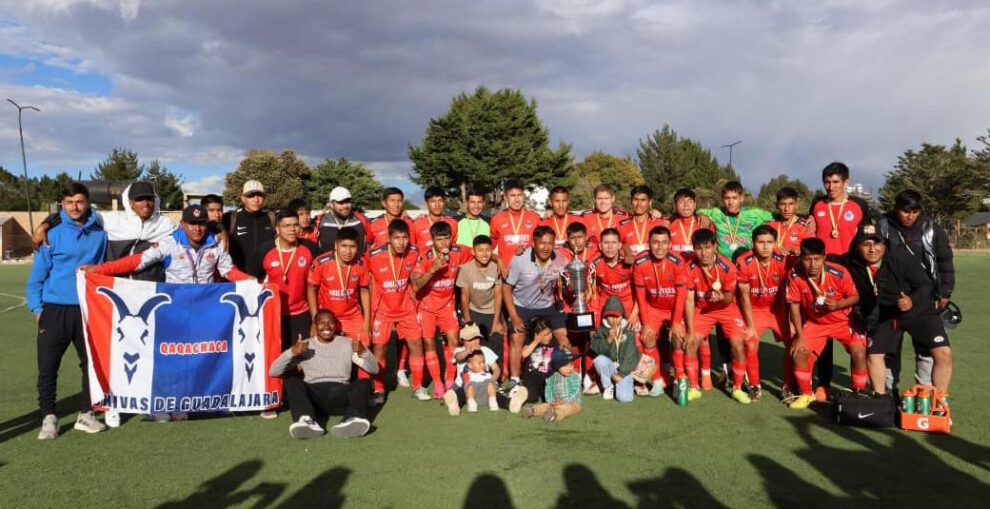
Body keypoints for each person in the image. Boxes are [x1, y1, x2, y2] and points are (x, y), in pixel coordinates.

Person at [27, 183, 109, 439]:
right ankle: (49, 417)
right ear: (61, 204)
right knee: (48, 367)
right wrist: (38, 309)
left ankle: (86, 414)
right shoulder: (50, 234)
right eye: (69, 202)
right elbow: (36, 278)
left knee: (91, 365)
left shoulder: (101, 232)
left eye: (80, 201)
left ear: (88, 203)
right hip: (54, 311)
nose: (75, 207)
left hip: (88, 310)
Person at [842, 226, 952, 395]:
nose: (872, 249)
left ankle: (939, 403)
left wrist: (911, 300)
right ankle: (882, 399)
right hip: (885, 315)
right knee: (874, 356)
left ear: (884, 244)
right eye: (866, 244)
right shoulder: (851, 262)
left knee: (943, 353)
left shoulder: (900, 258)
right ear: (857, 246)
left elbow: (926, 284)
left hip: (918, 311)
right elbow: (822, 259)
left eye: (877, 243)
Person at [807, 162, 876, 401]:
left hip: (851, 269)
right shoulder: (817, 204)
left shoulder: (859, 205)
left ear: (846, 182)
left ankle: (860, 383)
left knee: (856, 326)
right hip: (824, 271)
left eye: (836, 182)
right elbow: (812, 230)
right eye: (827, 182)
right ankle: (823, 384)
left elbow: (869, 236)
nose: (830, 186)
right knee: (824, 323)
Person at [877, 189, 954, 387]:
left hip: (924, 296)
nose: (910, 215)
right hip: (891, 297)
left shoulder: (931, 229)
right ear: (896, 208)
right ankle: (888, 395)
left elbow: (945, 261)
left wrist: (945, 291)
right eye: (905, 211)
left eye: (915, 211)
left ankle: (926, 395)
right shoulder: (882, 225)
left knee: (927, 349)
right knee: (889, 349)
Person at [785, 238, 868, 409]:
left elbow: (856, 296)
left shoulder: (839, 272)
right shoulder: (794, 275)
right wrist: (799, 336)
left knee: (859, 351)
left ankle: (857, 393)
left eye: (817, 259)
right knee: (798, 353)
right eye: (808, 259)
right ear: (801, 258)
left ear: (824, 258)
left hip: (843, 322)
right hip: (816, 324)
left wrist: (839, 305)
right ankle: (806, 394)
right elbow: (794, 306)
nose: (813, 264)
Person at [269, 310, 377, 439]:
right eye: (322, 323)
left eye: (330, 322)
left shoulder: (347, 343)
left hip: (340, 396)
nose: (326, 327)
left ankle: (353, 417)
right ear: (314, 326)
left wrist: (365, 352)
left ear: (336, 325)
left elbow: (374, 369)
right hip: (313, 398)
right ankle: (306, 420)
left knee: (364, 382)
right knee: (292, 382)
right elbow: (274, 371)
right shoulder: (304, 346)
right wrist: (292, 352)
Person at [89, 205, 253, 285]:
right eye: (192, 223)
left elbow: (229, 271)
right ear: (182, 224)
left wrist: (251, 281)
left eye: (202, 223)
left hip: (206, 304)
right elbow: (136, 262)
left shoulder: (216, 244)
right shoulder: (169, 243)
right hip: (176, 305)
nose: (197, 228)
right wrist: (100, 269)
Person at [684, 229, 752, 404]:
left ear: (715, 246)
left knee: (738, 345)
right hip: (703, 310)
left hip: (727, 309)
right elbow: (690, 300)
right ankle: (693, 387)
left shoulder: (727, 266)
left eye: (707, 247)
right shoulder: (690, 267)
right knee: (691, 343)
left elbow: (729, 298)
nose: (704, 253)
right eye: (699, 248)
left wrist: (723, 298)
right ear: (693, 249)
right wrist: (690, 331)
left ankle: (737, 388)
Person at [503, 226, 570, 389]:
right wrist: (514, 315)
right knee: (516, 337)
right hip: (522, 305)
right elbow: (506, 288)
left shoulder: (562, 260)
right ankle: (515, 380)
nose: (546, 247)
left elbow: (568, 286)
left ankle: (566, 376)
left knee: (563, 336)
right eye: (542, 243)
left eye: (550, 243)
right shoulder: (520, 259)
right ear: (534, 243)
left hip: (548, 305)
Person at [411, 221, 473, 397]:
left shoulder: (459, 251)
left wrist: (497, 259)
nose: (444, 243)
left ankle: (449, 380)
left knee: (453, 341)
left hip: (447, 305)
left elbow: (479, 252)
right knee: (429, 343)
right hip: (426, 307)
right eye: (439, 239)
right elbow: (416, 287)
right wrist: (432, 270)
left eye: (447, 238)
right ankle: (438, 383)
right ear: (432, 240)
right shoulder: (424, 256)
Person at [366, 219, 423, 403]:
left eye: (405, 237)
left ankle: (418, 387)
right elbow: (364, 283)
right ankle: (379, 389)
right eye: (396, 238)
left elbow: (415, 275)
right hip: (382, 310)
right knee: (380, 349)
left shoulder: (414, 252)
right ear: (388, 238)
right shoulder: (373, 256)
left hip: (406, 309)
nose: (401, 242)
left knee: (416, 345)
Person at [734, 225, 791, 401]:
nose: (765, 247)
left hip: (777, 310)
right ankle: (754, 384)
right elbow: (743, 296)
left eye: (769, 242)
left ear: (775, 243)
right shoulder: (744, 262)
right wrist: (750, 325)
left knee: (793, 344)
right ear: (753, 243)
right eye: (761, 242)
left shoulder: (785, 260)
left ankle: (788, 385)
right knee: (750, 344)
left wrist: (790, 321)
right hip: (754, 309)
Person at [632, 226, 688, 396]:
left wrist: (676, 322)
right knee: (644, 337)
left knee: (678, 337)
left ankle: (679, 377)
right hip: (653, 307)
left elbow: (681, 295)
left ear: (670, 244)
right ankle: (654, 380)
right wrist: (647, 323)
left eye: (664, 243)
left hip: (674, 308)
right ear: (648, 244)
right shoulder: (640, 262)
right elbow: (641, 296)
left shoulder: (678, 262)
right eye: (655, 242)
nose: (659, 247)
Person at [443, 323, 525, 415]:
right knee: (461, 393)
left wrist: (493, 379)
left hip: (485, 385)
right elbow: (458, 357)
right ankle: (454, 404)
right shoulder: (460, 350)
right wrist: (468, 351)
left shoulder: (485, 350)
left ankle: (512, 404)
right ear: (462, 341)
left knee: (497, 395)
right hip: (464, 386)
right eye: (470, 339)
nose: (474, 342)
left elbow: (496, 369)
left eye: (476, 338)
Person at [455, 235, 505, 365]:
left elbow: (498, 294)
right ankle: (472, 374)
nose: (484, 254)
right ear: (473, 252)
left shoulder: (496, 267)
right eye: (480, 250)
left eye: (488, 250)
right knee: (473, 344)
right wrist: (468, 320)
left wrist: (496, 320)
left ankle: (496, 379)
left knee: (496, 341)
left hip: (492, 311)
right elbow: (464, 297)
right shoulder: (466, 269)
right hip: (473, 310)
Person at [698, 181, 774, 261]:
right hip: (723, 265)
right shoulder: (717, 213)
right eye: (727, 198)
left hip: (746, 263)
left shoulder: (753, 214)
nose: (730, 202)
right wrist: (702, 215)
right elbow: (699, 211)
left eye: (734, 198)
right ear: (723, 199)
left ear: (741, 198)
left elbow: (777, 216)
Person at [589, 296, 641, 403]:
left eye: (616, 316)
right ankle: (608, 386)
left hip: (625, 367)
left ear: (622, 316)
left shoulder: (628, 331)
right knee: (599, 360)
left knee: (624, 398)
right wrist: (608, 340)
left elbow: (630, 356)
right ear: (605, 317)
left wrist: (621, 374)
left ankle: (624, 383)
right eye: (610, 316)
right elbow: (596, 349)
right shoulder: (602, 330)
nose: (613, 320)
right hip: (611, 365)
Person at [223, 180, 275, 278]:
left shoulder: (272, 218)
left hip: (265, 278)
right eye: (251, 195)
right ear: (243, 198)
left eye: (259, 195)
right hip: (238, 279)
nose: (256, 199)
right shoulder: (230, 218)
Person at [519, 349, 583, 422]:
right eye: (566, 366)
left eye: (571, 364)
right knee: (545, 406)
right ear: (557, 366)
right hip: (555, 402)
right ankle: (532, 411)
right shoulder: (552, 376)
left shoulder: (574, 376)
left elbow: (575, 391)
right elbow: (549, 389)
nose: (570, 368)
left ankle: (555, 415)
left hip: (572, 402)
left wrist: (564, 401)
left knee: (567, 408)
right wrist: (551, 401)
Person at [490, 179, 541, 267]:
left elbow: (542, 244)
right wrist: (498, 260)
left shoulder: (535, 218)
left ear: (524, 196)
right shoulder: (496, 219)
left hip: (529, 272)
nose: (517, 199)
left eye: (519, 195)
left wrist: (527, 247)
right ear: (505, 198)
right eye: (512, 195)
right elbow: (490, 250)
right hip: (506, 272)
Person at [314, 187, 372, 256]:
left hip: (355, 265)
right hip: (328, 266)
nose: (345, 206)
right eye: (340, 202)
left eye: (348, 201)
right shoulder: (319, 221)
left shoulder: (361, 220)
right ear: (331, 204)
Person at [518, 317, 561, 405]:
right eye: (544, 335)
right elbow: (524, 354)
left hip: (548, 375)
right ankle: (518, 392)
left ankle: (543, 393)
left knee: (550, 398)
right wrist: (536, 341)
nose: (548, 336)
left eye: (549, 333)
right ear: (536, 335)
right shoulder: (530, 341)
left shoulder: (553, 341)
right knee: (531, 398)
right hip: (532, 375)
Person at [618, 185, 668, 258]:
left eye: (643, 200)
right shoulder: (621, 225)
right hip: (629, 268)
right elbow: (616, 247)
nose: (639, 204)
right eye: (636, 199)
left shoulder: (660, 223)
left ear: (650, 202)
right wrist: (625, 251)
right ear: (631, 201)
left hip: (653, 268)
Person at [765, 187, 814, 257]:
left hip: (795, 266)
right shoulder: (769, 225)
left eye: (791, 204)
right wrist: (776, 250)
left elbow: (812, 251)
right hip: (772, 266)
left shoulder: (805, 226)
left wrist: (792, 250)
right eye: (783, 204)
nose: (787, 209)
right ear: (777, 205)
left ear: (796, 205)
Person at [668, 188, 714, 260]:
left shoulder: (704, 223)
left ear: (695, 205)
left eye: (690, 201)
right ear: (675, 206)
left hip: (698, 268)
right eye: (681, 202)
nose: (686, 205)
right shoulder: (668, 225)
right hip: (676, 269)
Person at [580, 184, 630, 249]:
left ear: (613, 199)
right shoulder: (585, 217)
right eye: (599, 198)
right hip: (593, 256)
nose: (603, 202)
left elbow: (628, 242)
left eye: (606, 198)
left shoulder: (623, 217)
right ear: (594, 199)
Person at [412, 186, 459, 252]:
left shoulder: (452, 223)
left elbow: (454, 247)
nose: (437, 205)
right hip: (425, 262)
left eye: (440, 201)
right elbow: (413, 249)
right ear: (426, 204)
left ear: (444, 202)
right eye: (433, 201)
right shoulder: (417, 225)